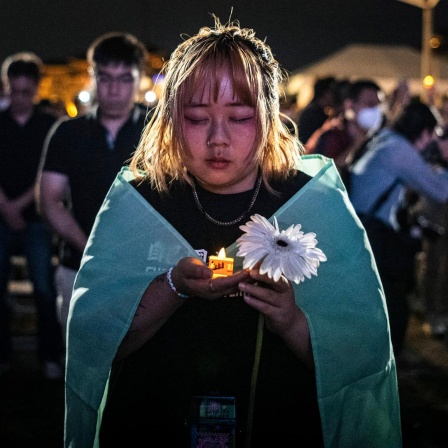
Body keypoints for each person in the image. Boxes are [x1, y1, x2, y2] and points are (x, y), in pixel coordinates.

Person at [64, 20, 402, 447]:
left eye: (239, 117)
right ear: (170, 120)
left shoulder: (314, 204)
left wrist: (291, 320)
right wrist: (171, 286)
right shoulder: (139, 203)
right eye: (196, 117)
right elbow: (94, 344)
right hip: (151, 422)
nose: (217, 138)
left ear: (268, 119)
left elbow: (361, 359)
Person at [36, 32, 148, 344]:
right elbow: (49, 200)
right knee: (81, 359)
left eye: (125, 78)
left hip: (143, 270)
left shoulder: (156, 131)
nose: (114, 89)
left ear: (139, 79)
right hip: (79, 267)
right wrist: (91, 249)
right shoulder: (68, 132)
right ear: (92, 76)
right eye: (105, 77)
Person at [350, 100, 448, 357]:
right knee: (393, 298)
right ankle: (388, 361)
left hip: (362, 224)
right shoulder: (399, 150)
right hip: (373, 230)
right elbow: (441, 190)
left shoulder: (386, 138)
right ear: (424, 132)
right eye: (431, 136)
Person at [0, 52, 62, 379]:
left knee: (43, 287)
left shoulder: (48, 126)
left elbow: (47, 174)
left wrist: (17, 206)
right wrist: (7, 207)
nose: (20, 99)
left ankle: (49, 356)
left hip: (36, 217)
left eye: (25, 92)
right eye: (14, 91)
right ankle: (3, 355)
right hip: (4, 214)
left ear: (36, 89)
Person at [306, 79, 384, 169]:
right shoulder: (331, 135)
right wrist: (355, 146)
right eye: (370, 104)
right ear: (349, 106)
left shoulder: (375, 136)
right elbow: (325, 173)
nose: (376, 110)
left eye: (379, 105)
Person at [296, 75, 336, 144]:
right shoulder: (315, 114)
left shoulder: (310, 110)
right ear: (326, 94)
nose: (335, 97)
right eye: (333, 93)